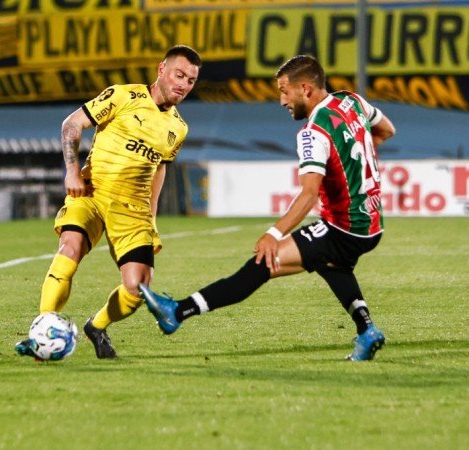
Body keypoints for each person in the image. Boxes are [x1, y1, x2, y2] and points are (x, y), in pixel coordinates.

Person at [139, 54, 396, 361]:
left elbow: (308, 194)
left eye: (285, 91)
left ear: (306, 89)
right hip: (372, 224)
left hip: (343, 228)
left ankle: (177, 312)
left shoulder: (313, 133)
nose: (281, 101)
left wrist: (274, 233)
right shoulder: (352, 101)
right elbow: (386, 130)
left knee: (262, 264)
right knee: (332, 264)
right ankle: (366, 330)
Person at [15, 45, 202, 359]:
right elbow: (71, 124)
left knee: (136, 287)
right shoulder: (123, 96)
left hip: (132, 210)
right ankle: (42, 329)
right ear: (161, 69)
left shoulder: (178, 129)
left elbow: (159, 171)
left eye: (191, 80)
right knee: (70, 249)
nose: (183, 84)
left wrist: (152, 218)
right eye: (179, 74)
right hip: (92, 192)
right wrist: (72, 170)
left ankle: (97, 326)